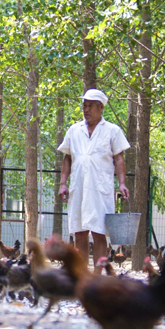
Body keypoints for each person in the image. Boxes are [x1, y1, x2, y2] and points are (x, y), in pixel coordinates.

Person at [57, 89, 130, 271]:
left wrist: (121, 183)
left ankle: (97, 277)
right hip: (78, 189)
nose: (86, 109)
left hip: (100, 190)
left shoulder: (112, 131)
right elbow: (67, 158)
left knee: (99, 234)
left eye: (90, 106)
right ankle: (81, 277)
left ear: (101, 107)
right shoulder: (74, 130)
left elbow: (119, 158)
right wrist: (63, 183)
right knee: (80, 234)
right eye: (84, 105)